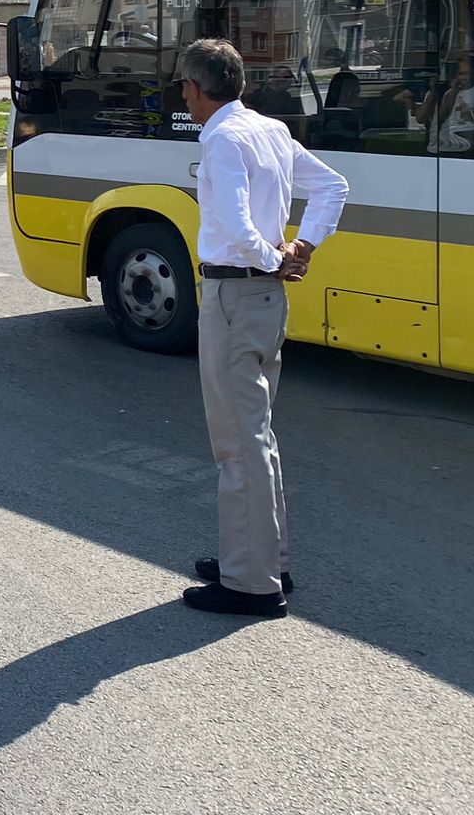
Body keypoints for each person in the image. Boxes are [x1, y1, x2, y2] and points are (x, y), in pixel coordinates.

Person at [175, 37, 348, 619]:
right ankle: (263, 559)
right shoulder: (271, 130)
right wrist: (304, 247)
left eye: (185, 85)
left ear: (198, 90)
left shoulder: (223, 139)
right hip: (265, 298)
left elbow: (235, 220)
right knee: (259, 434)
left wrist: (278, 257)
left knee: (237, 441)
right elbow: (333, 186)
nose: (184, 94)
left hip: (234, 293)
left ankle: (251, 583)